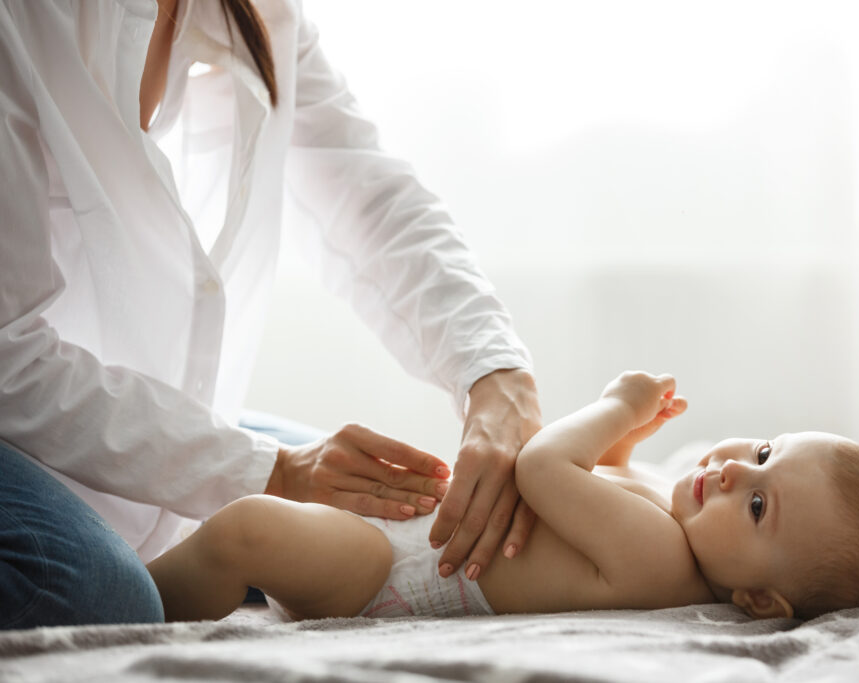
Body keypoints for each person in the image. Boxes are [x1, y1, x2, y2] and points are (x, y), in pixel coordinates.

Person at [0, 0, 541, 629]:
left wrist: (496, 373)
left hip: (96, 406)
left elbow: (365, 196)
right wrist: (272, 470)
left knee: (386, 519)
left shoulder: (255, 13)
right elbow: (7, 353)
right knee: (95, 592)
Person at [146, 371, 859, 622]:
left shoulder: (663, 558)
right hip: (412, 532)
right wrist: (628, 451)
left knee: (247, 529)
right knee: (293, 488)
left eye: (758, 504)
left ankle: (134, 607)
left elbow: (545, 469)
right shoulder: (675, 520)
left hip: (389, 574)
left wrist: (618, 409)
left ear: (759, 597)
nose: (733, 472)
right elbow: (599, 485)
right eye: (764, 452)